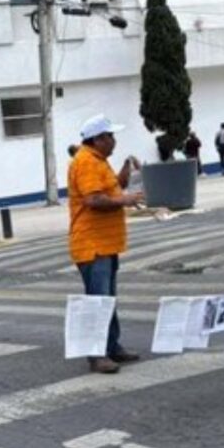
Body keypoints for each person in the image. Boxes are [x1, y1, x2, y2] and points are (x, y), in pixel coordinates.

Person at [67, 115, 144, 375]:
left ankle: (112, 347)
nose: (114, 140)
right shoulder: (87, 162)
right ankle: (96, 355)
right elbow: (94, 200)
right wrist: (125, 200)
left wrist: (125, 169)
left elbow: (113, 187)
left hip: (105, 244)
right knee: (97, 301)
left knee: (107, 299)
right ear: (98, 139)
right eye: (110, 136)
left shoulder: (98, 161)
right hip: (92, 244)